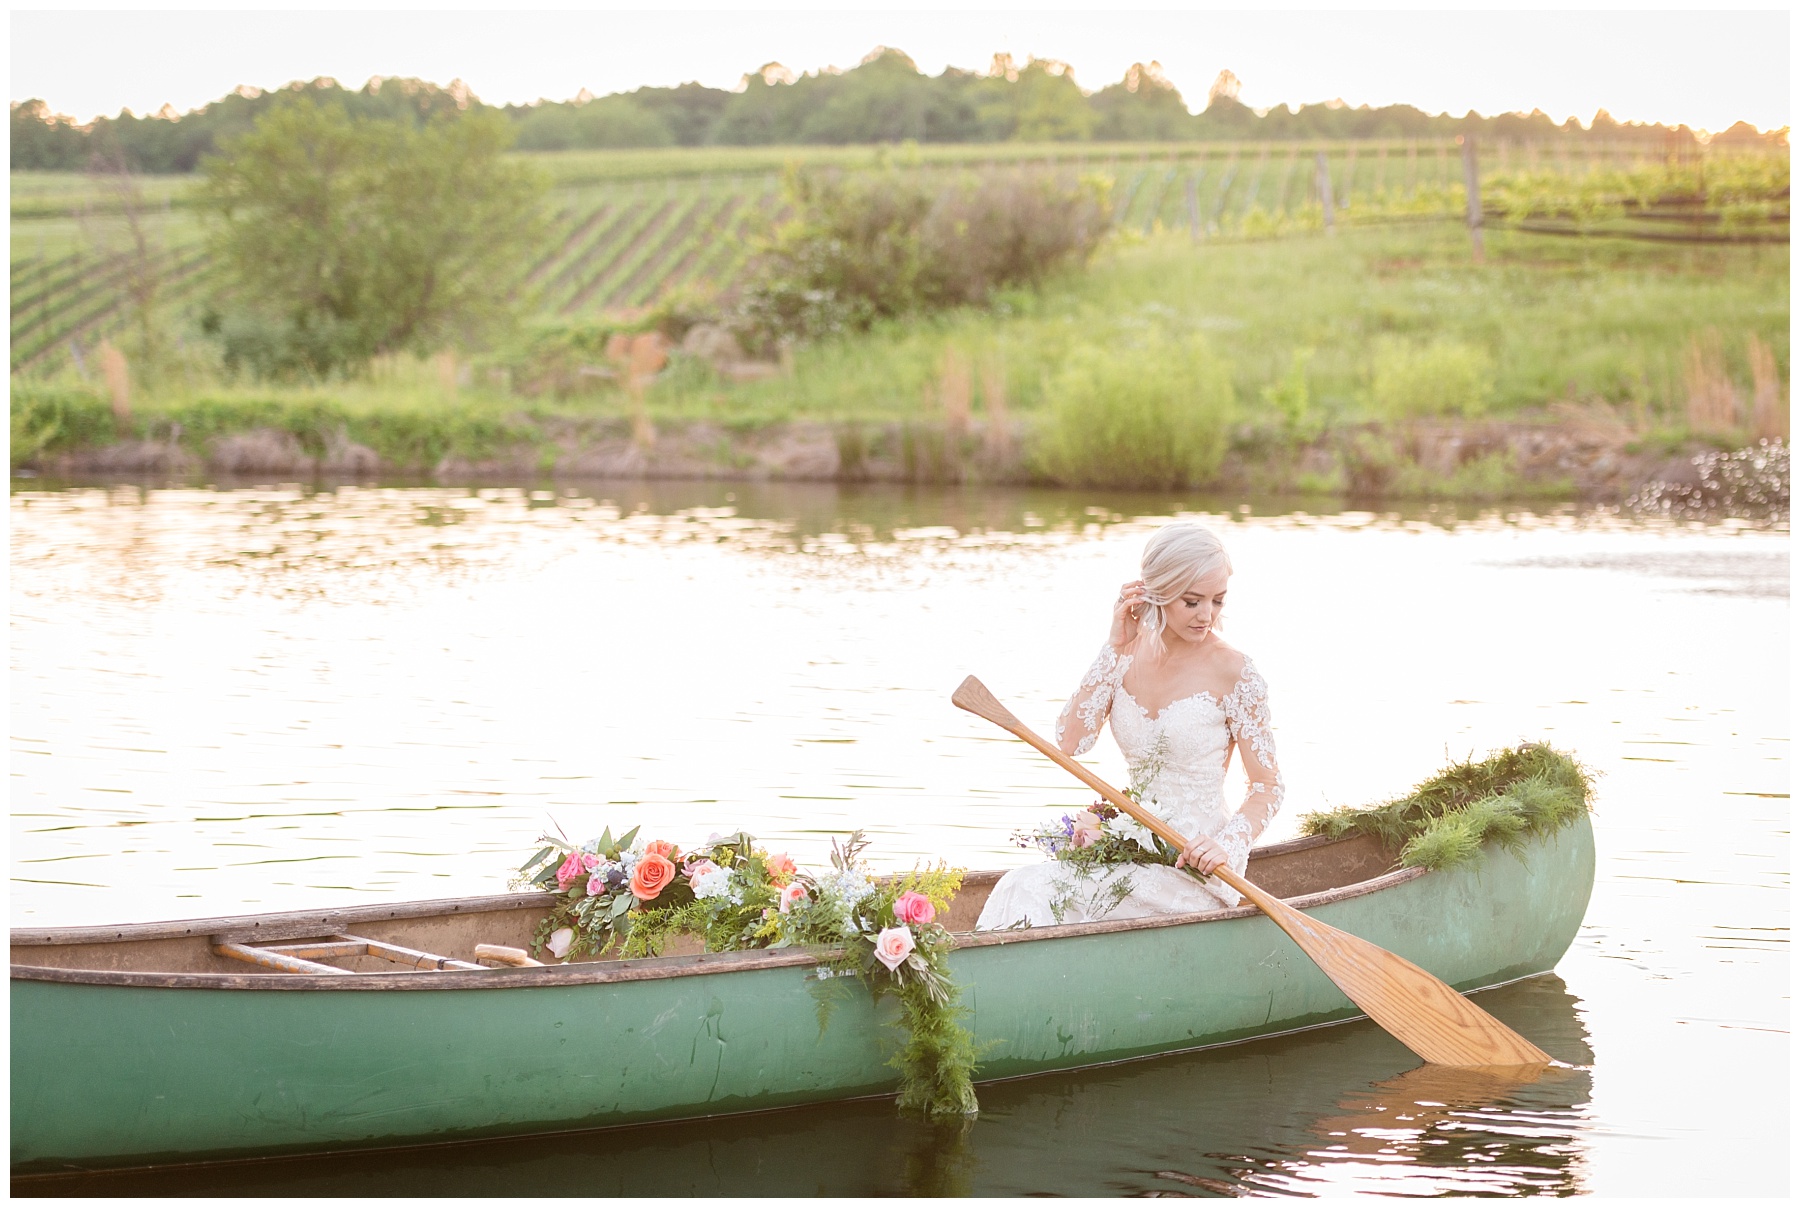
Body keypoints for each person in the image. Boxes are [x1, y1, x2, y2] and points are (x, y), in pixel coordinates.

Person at [976, 522, 1283, 929]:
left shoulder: (1235, 671)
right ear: (1158, 593)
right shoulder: (1125, 653)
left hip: (1200, 869)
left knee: (1034, 889)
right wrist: (1115, 647)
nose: (1206, 615)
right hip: (1131, 851)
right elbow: (1071, 741)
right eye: (1191, 601)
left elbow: (1268, 786)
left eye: (1217, 601)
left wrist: (1227, 844)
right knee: (1019, 884)